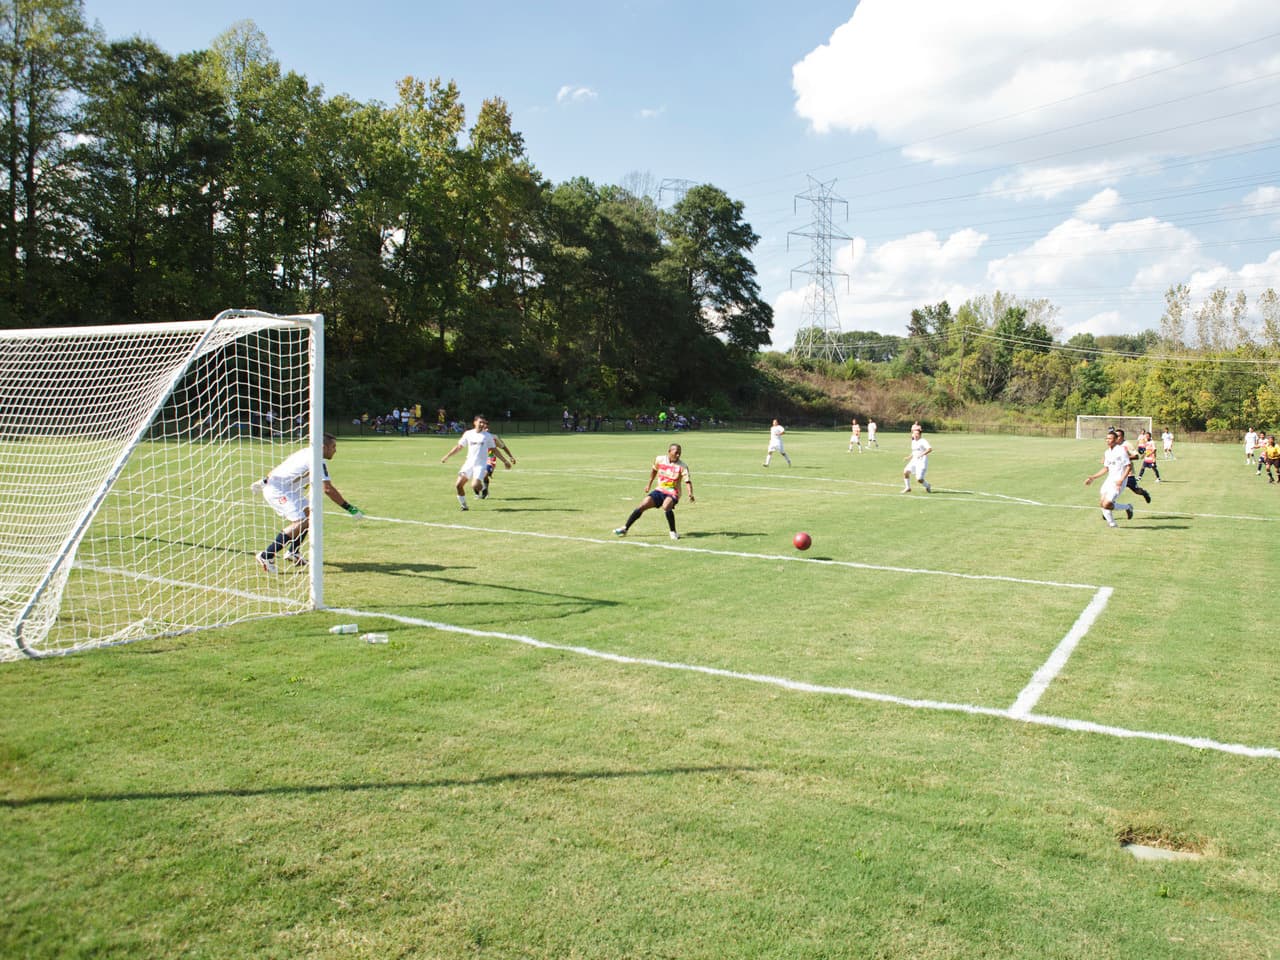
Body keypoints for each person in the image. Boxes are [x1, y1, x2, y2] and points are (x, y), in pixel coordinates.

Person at [253, 433, 362, 573]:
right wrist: (350, 508)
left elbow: (281, 468)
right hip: (278, 491)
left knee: (310, 516)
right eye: (333, 446)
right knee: (301, 522)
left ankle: (293, 552)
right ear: (323, 447)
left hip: (285, 489)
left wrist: (263, 480)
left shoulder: (304, 452)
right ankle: (266, 555)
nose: (335, 450)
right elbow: (328, 489)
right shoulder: (317, 460)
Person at [614, 442, 694, 540]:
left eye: (679, 453)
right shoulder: (659, 459)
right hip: (659, 490)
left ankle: (673, 532)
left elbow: (687, 481)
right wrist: (649, 484)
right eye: (676, 452)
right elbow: (654, 471)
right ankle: (625, 528)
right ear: (669, 452)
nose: (678, 455)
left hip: (673, 492)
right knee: (642, 505)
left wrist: (690, 493)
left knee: (666, 506)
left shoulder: (682, 466)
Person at [441, 414, 511, 510]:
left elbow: (494, 450)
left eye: (484, 423)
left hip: (480, 465)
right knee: (458, 485)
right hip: (468, 464)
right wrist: (447, 456)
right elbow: (459, 447)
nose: (482, 424)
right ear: (474, 422)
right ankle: (464, 506)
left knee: (474, 485)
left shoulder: (487, 436)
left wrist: (505, 461)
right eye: (480, 422)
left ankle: (483, 489)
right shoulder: (468, 434)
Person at [1084, 429, 1136, 528]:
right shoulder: (1107, 452)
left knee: (1107, 504)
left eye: (1110, 438)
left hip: (1119, 480)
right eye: (1106, 438)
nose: (1108, 440)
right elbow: (1106, 468)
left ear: (1116, 439)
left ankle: (1128, 507)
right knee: (1102, 502)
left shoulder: (1121, 450)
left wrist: (1121, 480)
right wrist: (1093, 477)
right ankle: (1112, 524)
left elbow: (1128, 466)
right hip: (1109, 480)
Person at [1114, 428, 1152, 504]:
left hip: (1128, 473)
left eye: (1117, 436)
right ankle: (1108, 508)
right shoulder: (1114, 445)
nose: (1116, 437)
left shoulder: (1127, 444)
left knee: (1136, 490)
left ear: (1122, 436)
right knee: (1113, 491)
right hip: (1117, 473)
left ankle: (1144, 493)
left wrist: (1125, 457)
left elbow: (1136, 456)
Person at [481, 432, 517, 499]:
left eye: (486, 426)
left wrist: (510, 457)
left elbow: (503, 447)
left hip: (490, 456)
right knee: (478, 478)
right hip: (478, 458)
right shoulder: (475, 436)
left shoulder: (494, 437)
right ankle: (480, 491)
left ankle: (484, 491)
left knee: (485, 474)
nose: (485, 428)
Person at [901, 423, 933, 493]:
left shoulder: (923, 441)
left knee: (919, 479)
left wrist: (922, 454)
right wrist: (909, 457)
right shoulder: (913, 441)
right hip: (914, 460)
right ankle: (908, 488)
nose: (914, 435)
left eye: (916, 434)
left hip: (922, 461)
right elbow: (914, 452)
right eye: (914, 434)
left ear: (920, 435)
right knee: (906, 472)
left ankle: (927, 486)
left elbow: (930, 449)